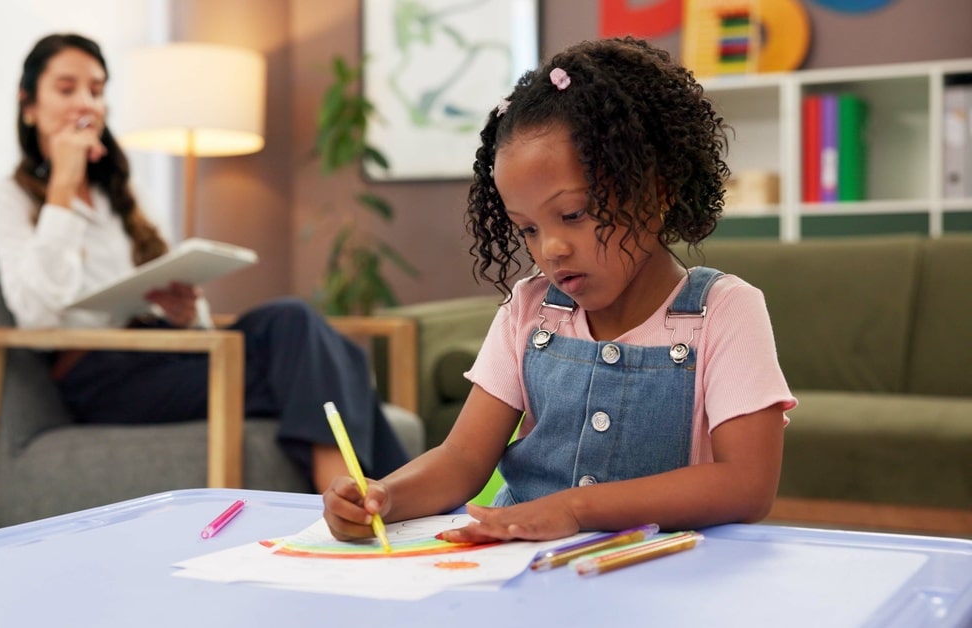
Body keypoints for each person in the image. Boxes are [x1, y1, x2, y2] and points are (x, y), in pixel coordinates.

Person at [323, 37, 796, 543]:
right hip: (520, 566)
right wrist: (385, 497)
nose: (551, 248)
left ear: (655, 191)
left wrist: (573, 509)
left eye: (572, 215)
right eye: (527, 229)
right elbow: (461, 458)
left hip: (651, 570)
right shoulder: (529, 310)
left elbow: (746, 484)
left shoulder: (723, 311)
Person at [0, 33, 407, 492]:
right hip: (100, 377)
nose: (86, 103)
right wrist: (63, 185)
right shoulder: (8, 198)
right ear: (29, 105)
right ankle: (365, 498)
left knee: (294, 320)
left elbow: (179, 303)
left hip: (166, 352)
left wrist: (187, 312)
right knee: (329, 362)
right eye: (66, 90)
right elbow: (37, 313)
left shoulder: (126, 195)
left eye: (97, 90)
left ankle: (366, 499)